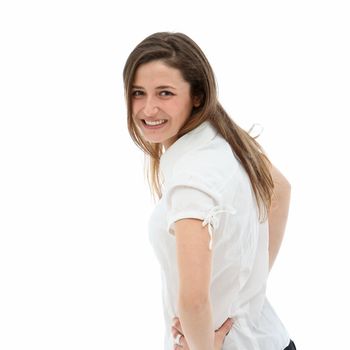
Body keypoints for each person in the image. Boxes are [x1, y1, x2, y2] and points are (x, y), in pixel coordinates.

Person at [123, 32, 296, 350]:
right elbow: (280, 190)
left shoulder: (191, 180)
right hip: (270, 338)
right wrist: (245, 290)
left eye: (165, 93)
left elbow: (193, 302)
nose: (148, 108)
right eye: (138, 93)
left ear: (197, 95)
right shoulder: (223, 138)